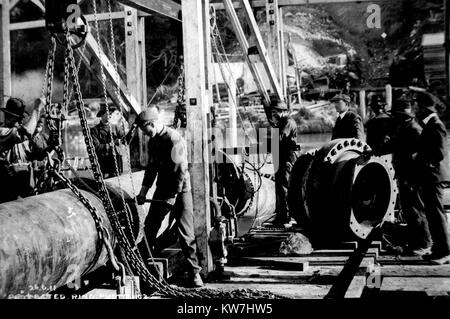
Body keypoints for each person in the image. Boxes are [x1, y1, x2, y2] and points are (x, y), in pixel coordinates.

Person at [135, 105, 203, 287]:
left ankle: (195, 273)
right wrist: (142, 192)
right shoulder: (153, 141)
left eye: (145, 129)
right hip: (163, 189)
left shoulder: (174, 139)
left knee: (185, 233)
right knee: (150, 226)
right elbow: (151, 169)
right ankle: (141, 266)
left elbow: (181, 170)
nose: (145, 133)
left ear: (154, 123)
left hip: (180, 191)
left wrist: (173, 195)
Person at [391, 97, 432, 255]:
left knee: (416, 210)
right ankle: (415, 242)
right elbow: (394, 145)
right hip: (405, 176)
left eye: (396, 115)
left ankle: (423, 244)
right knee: (410, 210)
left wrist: (412, 178)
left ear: (403, 115)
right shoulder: (405, 128)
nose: (394, 118)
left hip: (412, 178)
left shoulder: (414, 130)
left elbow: (421, 157)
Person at [414, 93, 450, 265]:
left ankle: (445, 252)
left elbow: (440, 153)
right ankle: (437, 249)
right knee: (431, 213)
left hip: (434, 176)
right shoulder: (430, 125)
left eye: (419, 107)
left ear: (425, 108)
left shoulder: (436, 125)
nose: (417, 110)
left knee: (437, 214)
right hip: (428, 176)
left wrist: (422, 160)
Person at [0, 97, 44, 203]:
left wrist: (53, 142)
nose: (21, 121)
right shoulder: (2, 132)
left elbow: (38, 156)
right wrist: (37, 109)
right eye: (18, 118)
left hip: (23, 197)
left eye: (22, 118)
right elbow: (25, 133)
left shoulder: (21, 142)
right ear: (8, 117)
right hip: (4, 198)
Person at [269, 96, 299, 228]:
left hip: (287, 158)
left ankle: (286, 217)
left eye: (275, 112)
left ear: (281, 111)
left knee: (284, 187)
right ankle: (281, 216)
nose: (273, 115)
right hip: (281, 158)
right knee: (280, 187)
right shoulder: (282, 122)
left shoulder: (287, 122)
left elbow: (279, 138)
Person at [91, 104, 127, 178]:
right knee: (104, 178)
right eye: (107, 113)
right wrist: (111, 144)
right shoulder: (95, 130)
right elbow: (96, 147)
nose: (109, 115)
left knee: (117, 177)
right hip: (103, 160)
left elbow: (125, 139)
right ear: (101, 115)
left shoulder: (115, 127)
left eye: (110, 113)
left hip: (115, 159)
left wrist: (125, 133)